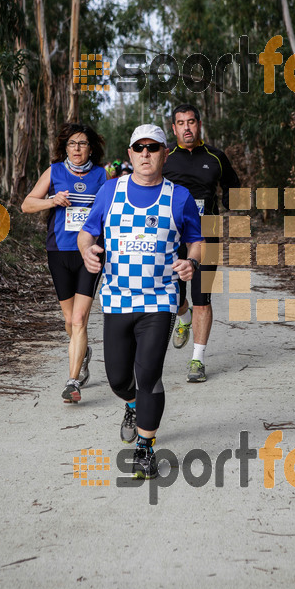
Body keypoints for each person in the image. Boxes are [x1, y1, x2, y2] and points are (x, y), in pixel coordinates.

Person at [78, 125, 203, 479]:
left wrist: (191, 262)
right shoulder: (109, 191)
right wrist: (87, 252)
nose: (146, 154)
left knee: (148, 374)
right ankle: (132, 405)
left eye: (154, 147)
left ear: (165, 153)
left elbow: (195, 239)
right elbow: (87, 233)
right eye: (139, 148)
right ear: (130, 154)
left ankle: (145, 448)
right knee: (118, 379)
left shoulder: (179, 197)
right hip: (117, 300)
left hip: (159, 301)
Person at [21, 123, 106, 403]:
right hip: (58, 251)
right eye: (72, 144)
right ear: (65, 147)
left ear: (91, 148)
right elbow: (27, 204)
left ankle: (72, 382)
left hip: (90, 253)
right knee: (69, 321)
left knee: (80, 318)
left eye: (82, 143)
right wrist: (52, 201)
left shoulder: (102, 176)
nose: (77, 148)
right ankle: (83, 352)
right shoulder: (55, 172)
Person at [162, 104, 240, 383]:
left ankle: (198, 359)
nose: (186, 128)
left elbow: (233, 186)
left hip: (207, 233)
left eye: (191, 122)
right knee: (173, 297)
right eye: (180, 123)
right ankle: (184, 318)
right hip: (171, 237)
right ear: (173, 128)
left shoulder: (216, 157)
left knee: (202, 299)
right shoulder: (165, 155)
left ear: (199, 124)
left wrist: (233, 206)